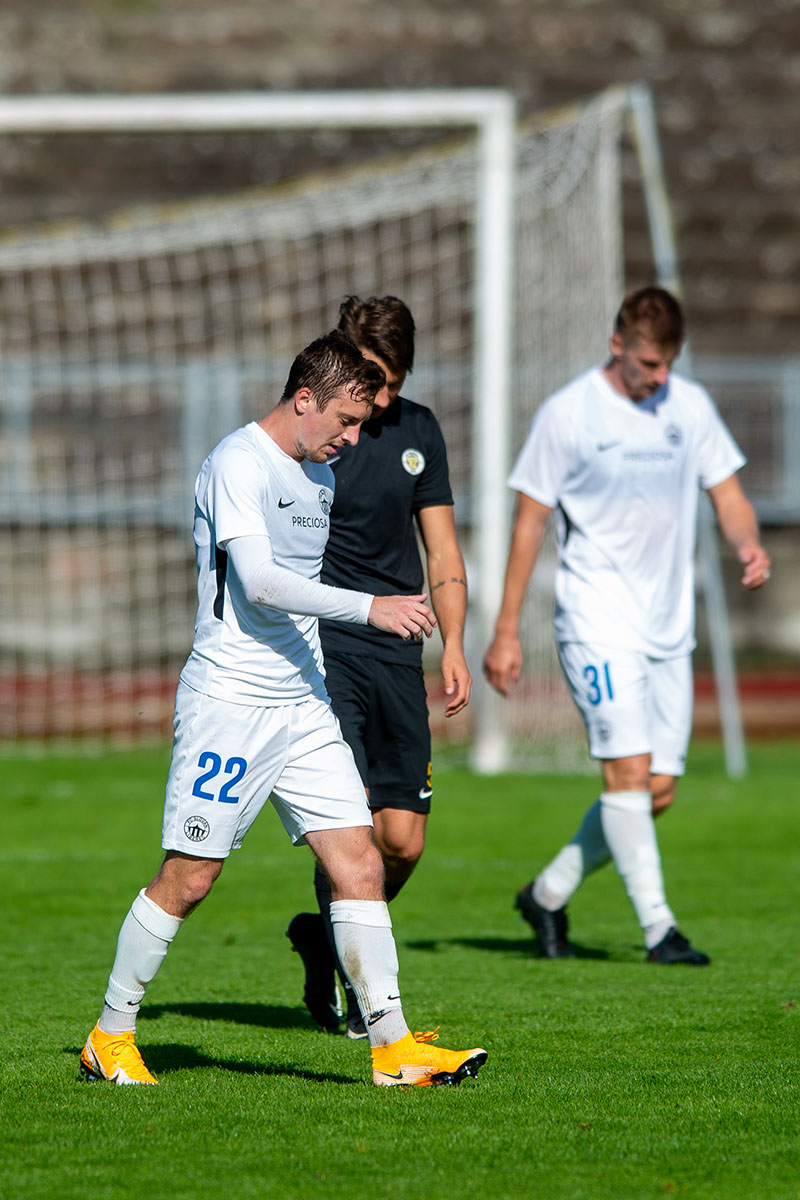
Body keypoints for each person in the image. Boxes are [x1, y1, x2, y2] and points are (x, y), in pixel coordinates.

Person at [80, 330, 487, 1088]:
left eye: (360, 424)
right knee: (190, 878)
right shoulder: (237, 463)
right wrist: (372, 607)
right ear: (304, 399)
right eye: (345, 420)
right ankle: (111, 1032)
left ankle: (393, 1048)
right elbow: (261, 583)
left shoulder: (320, 473)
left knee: (360, 862)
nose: (352, 438)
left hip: (303, 702)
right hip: (231, 701)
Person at [483, 286, 770, 964]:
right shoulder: (568, 414)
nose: (659, 377)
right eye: (648, 364)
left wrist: (748, 544)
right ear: (617, 346)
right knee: (629, 775)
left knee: (656, 790)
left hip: (668, 626)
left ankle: (546, 894)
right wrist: (506, 628)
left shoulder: (689, 406)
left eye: (668, 364)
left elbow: (728, 494)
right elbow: (529, 523)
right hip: (596, 619)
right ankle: (660, 931)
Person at [285, 296, 472, 1038]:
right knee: (351, 826)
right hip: (329, 645)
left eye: (396, 382)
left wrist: (453, 643)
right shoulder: (318, 432)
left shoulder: (418, 429)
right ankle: (364, 994)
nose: (383, 399)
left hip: (400, 648)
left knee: (403, 841)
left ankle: (328, 936)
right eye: (373, 379)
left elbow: (443, 550)